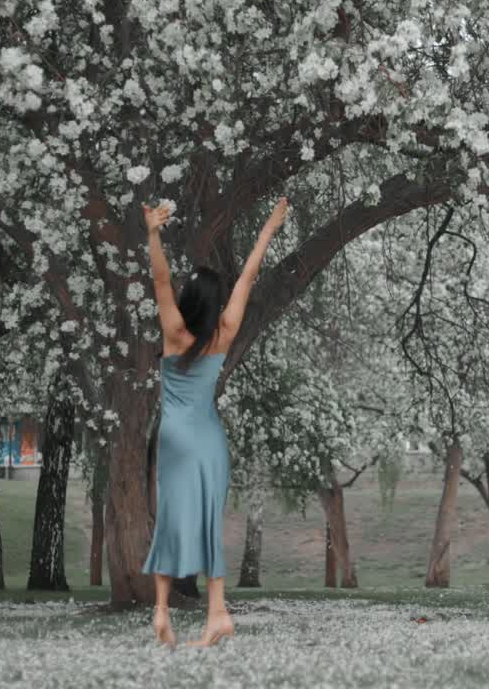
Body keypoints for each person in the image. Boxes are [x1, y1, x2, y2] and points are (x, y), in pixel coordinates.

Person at [140, 196, 289, 648]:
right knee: (208, 523)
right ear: (216, 303)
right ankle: (217, 613)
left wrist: (152, 233)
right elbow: (248, 276)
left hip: (174, 438)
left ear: (188, 299)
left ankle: (163, 611)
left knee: (170, 519)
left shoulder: (173, 333)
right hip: (208, 441)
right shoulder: (223, 334)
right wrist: (268, 229)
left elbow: (160, 278)